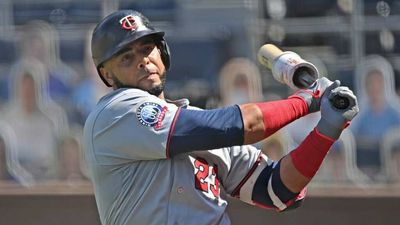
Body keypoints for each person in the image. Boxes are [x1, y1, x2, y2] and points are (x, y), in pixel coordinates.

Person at [83, 10, 359, 225]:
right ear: (108, 75)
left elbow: (278, 190)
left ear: (162, 51)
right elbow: (243, 125)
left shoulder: (200, 123)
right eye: (126, 58)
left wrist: (325, 132)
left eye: (146, 48)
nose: (143, 60)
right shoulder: (114, 113)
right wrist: (306, 100)